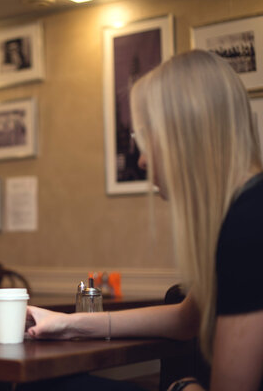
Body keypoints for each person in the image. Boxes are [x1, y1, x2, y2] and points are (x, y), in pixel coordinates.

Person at [26, 49, 263, 391]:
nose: (141, 160)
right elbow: (185, 319)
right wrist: (68, 324)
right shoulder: (244, 210)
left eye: (145, 139)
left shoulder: (248, 223)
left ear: (183, 135)